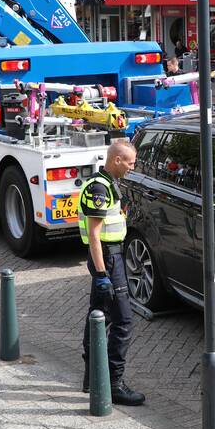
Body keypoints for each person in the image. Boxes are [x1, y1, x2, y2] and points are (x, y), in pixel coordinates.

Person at [79, 139, 146, 406]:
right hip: (107, 257)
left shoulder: (108, 183)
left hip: (110, 256)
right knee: (124, 320)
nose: (132, 167)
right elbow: (95, 236)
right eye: (130, 162)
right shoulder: (99, 188)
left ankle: (92, 377)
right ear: (116, 160)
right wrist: (102, 273)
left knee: (98, 314)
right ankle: (114, 383)